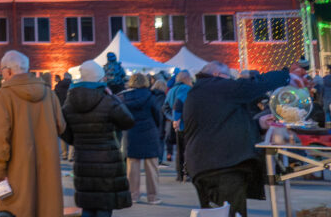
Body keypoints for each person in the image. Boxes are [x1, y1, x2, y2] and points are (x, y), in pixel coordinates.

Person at [183, 61, 289, 217]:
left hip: (207, 165)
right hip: (221, 165)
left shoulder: (202, 91)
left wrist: (258, 124)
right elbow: (251, 86)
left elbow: (220, 124)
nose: (232, 82)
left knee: (216, 213)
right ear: (217, 75)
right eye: (229, 78)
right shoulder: (215, 85)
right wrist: (285, 75)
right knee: (229, 213)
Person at [0, 50, 66, 217]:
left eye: (1, 69)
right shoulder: (49, 93)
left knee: (16, 209)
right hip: (47, 167)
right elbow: (61, 126)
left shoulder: (4, 95)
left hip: (17, 169)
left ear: (8, 70)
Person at [62, 60, 134, 217]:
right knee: (104, 206)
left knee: (87, 206)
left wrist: (79, 141)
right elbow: (128, 121)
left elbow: (64, 131)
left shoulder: (70, 101)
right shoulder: (107, 100)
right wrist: (114, 98)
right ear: (99, 79)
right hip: (106, 161)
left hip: (83, 161)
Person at [121, 73, 162, 205]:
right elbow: (157, 114)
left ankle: (133, 195)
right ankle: (153, 197)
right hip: (149, 132)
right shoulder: (151, 96)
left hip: (131, 133)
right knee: (152, 167)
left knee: (132, 167)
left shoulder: (124, 97)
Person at [167, 69, 193, 181]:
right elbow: (178, 104)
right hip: (185, 124)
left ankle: (180, 174)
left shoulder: (171, 90)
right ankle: (186, 173)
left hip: (176, 125)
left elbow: (165, 107)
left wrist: (172, 118)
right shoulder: (185, 88)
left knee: (179, 150)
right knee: (187, 149)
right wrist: (176, 119)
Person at [54, 72, 73, 162]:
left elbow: (55, 99)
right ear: (70, 77)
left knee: (63, 131)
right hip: (72, 110)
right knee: (73, 132)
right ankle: (71, 156)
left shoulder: (58, 86)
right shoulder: (73, 86)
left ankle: (64, 154)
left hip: (61, 110)